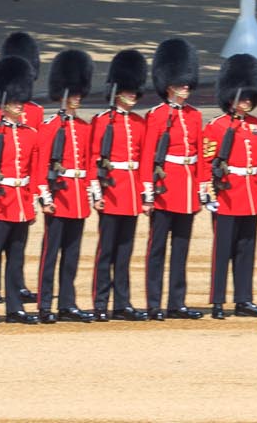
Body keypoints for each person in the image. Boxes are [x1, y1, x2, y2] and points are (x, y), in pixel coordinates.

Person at [139, 37, 206, 319]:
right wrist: (148, 192)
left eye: (187, 84)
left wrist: (202, 187)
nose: (186, 88)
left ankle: (176, 302)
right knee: (157, 249)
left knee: (181, 248)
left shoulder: (195, 116)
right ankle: (154, 303)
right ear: (169, 86)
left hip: (187, 187)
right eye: (181, 84)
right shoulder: (155, 116)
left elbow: (200, 154)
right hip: (165, 187)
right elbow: (147, 157)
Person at [0, 57, 40, 324]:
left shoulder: (29, 133)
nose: (19, 105)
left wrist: (34, 201)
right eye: (14, 101)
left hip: (21, 202)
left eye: (20, 101)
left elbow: (33, 171)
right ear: (3, 103)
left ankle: (15, 307)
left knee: (16, 259)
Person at [86, 49, 150, 321]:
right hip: (111, 191)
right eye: (127, 91)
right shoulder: (102, 121)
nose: (132, 96)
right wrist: (96, 193)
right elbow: (93, 158)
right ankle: (101, 302)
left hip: (131, 191)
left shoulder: (139, 122)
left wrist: (146, 196)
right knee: (106, 251)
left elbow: (145, 160)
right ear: (116, 91)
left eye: (134, 91)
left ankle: (122, 303)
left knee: (125, 253)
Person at [203, 53, 257, 321]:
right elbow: (207, 162)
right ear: (230, 98)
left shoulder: (256, 126)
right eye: (243, 97)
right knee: (223, 250)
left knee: (246, 249)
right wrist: (209, 192)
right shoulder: (216, 127)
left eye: (250, 97)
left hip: (250, 193)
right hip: (227, 194)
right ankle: (218, 300)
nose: (247, 102)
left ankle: (243, 299)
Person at [34, 49, 95, 323]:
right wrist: (45, 198)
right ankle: (45, 304)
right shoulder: (49, 128)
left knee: (72, 255)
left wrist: (93, 193)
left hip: (78, 196)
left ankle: (68, 303)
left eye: (79, 94)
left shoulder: (84, 127)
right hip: (58, 196)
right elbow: (40, 168)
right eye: (73, 94)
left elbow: (89, 162)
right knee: (51, 254)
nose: (77, 99)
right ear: (62, 94)